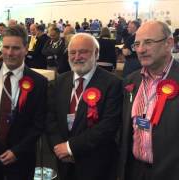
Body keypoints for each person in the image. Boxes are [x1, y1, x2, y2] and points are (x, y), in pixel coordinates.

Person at [46, 33, 122, 180]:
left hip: (96, 164)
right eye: (72, 52)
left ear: (96, 53)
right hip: (64, 162)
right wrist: (59, 147)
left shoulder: (113, 84)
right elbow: (50, 118)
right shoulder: (59, 81)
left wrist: (71, 148)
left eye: (83, 52)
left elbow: (108, 125)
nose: (77, 56)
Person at [0, 25, 47, 180]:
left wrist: (18, 151)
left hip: (21, 157)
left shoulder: (38, 82)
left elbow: (39, 124)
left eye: (16, 48)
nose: (9, 53)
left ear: (25, 49)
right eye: (6, 47)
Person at [119, 21, 179, 180]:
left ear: (169, 43)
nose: (141, 50)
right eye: (137, 44)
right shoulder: (130, 81)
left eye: (148, 42)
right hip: (134, 170)